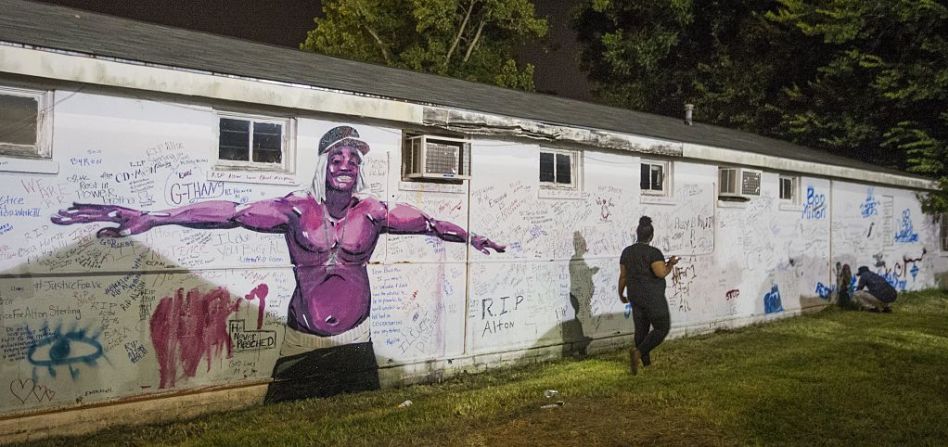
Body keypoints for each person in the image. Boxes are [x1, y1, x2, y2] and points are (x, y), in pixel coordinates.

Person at [52, 125, 506, 399]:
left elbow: (427, 222)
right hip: (301, 343)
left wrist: (472, 235)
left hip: (357, 341)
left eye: (353, 158)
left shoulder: (374, 213)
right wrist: (154, 217)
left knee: (361, 426)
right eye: (337, 156)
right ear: (324, 164)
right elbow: (229, 213)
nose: (346, 163)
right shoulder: (296, 210)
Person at [618, 216, 678, 375]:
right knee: (662, 327)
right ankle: (638, 353)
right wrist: (670, 263)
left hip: (635, 296)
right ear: (651, 236)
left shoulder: (627, 252)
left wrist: (621, 293)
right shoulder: (653, 253)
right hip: (652, 297)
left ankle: (646, 364)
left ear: (637, 234)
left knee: (641, 330)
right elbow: (661, 273)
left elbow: (623, 276)